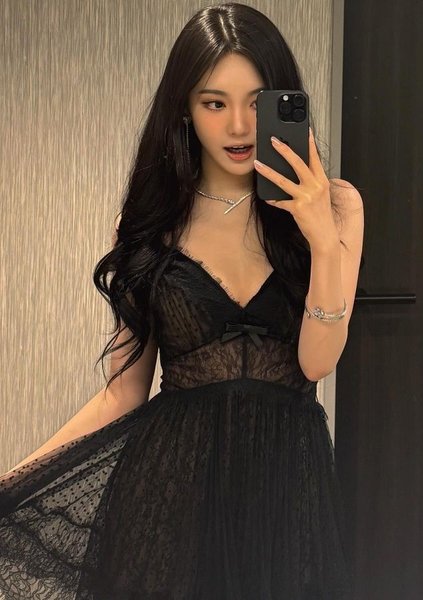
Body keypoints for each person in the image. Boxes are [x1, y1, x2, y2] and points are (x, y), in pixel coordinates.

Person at [0, 2, 363, 598]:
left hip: (284, 490)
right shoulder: (151, 223)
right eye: (214, 103)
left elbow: (317, 363)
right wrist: (16, 480)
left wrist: (323, 239)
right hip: (173, 491)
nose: (239, 126)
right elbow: (124, 392)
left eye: (257, 102)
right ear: (186, 110)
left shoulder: (340, 208)